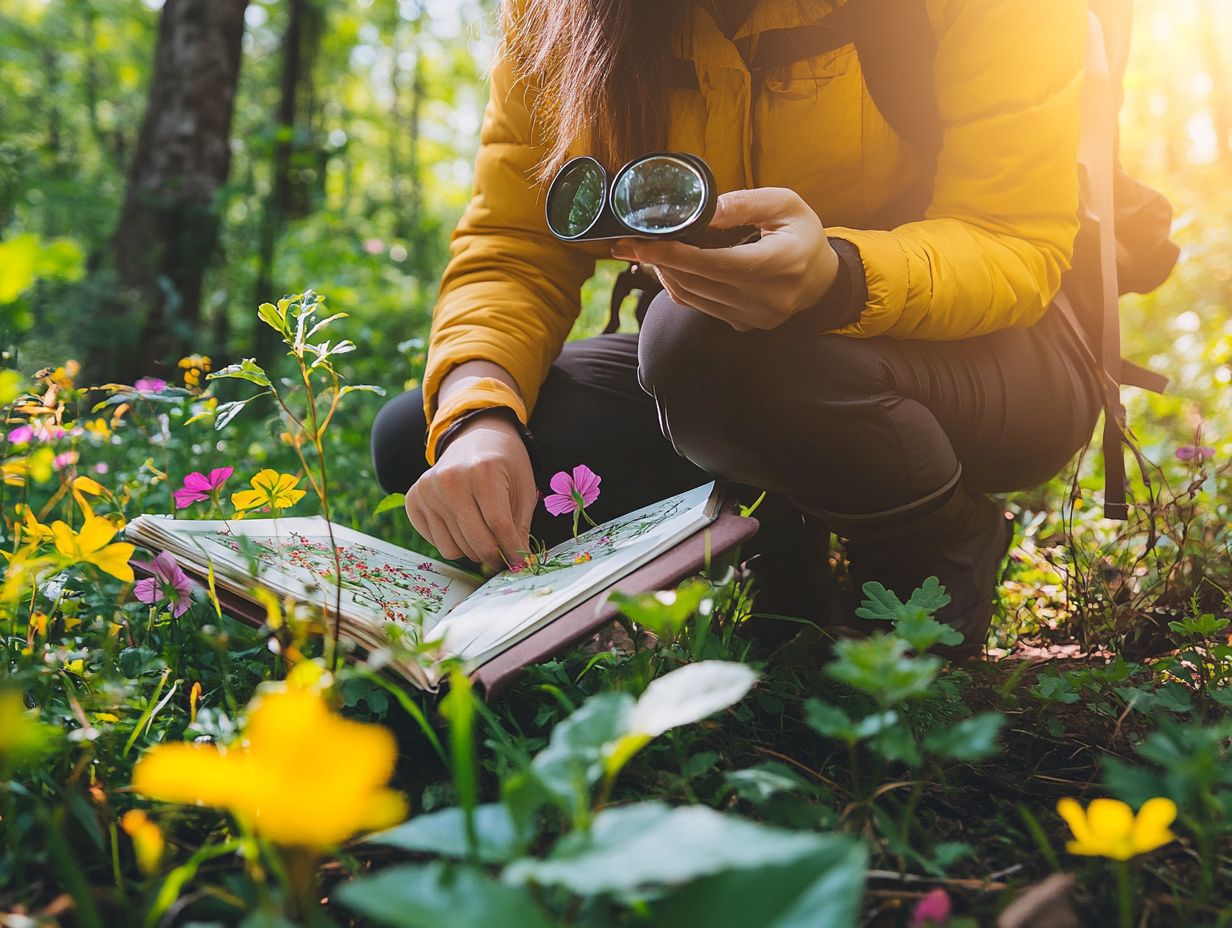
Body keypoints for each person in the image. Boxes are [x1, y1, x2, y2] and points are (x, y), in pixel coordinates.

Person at [370, 0, 1102, 653]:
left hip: (994, 361)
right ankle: (777, 551)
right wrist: (479, 414)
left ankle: (935, 545)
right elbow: (516, 244)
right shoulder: (561, 12)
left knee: (697, 340)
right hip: (722, 363)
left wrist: (837, 277)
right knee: (424, 437)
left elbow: (1015, 239)